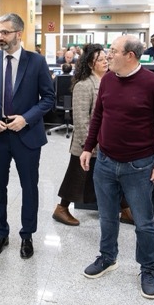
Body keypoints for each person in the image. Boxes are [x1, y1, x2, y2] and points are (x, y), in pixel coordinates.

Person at [79, 35, 154, 299]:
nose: (107, 55)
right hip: (105, 162)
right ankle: (107, 257)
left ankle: (148, 269)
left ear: (130, 56)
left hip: (138, 166)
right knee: (107, 215)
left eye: (113, 51)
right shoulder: (108, 80)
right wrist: (88, 148)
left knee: (143, 222)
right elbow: (98, 116)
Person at [0, 12, 55, 260]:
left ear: (19, 34)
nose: (0, 37)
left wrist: (25, 118)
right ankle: (1, 233)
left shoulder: (36, 62)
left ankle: (27, 235)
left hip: (26, 135)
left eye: (5, 32)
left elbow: (48, 98)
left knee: (29, 187)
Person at [52, 44, 107, 226]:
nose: (105, 62)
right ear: (90, 64)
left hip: (105, 140)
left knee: (109, 177)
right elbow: (81, 119)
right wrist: (88, 146)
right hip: (87, 143)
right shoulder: (84, 85)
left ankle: (124, 208)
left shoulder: (107, 81)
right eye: (100, 59)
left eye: (105, 58)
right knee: (76, 176)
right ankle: (61, 209)